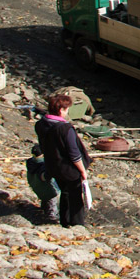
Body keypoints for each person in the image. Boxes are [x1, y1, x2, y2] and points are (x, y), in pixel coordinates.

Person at [35, 93, 92, 227]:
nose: (67, 112)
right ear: (61, 110)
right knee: (75, 197)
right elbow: (74, 154)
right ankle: (77, 224)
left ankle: (64, 221)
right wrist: (82, 171)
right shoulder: (65, 129)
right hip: (69, 169)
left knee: (65, 193)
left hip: (53, 165)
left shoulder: (41, 124)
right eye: (67, 109)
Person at [25, 144, 59, 222]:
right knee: (52, 206)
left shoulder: (30, 162)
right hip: (49, 191)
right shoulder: (43, 165)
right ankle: (51, 219)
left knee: (45, 202)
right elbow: (45, 176)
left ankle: (44, 212)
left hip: (37, 188)